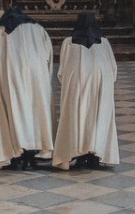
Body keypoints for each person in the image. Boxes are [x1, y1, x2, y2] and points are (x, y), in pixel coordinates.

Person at [0, 8, 55, 171]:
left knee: (12, 112)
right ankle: (31, 155)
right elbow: (48, 55)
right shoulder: (38, 29)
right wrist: (44, 79)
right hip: (36, 77)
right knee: (35, 114)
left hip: (8, 75)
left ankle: (15, 155)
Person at [51, 13, 119, 171]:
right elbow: (113, 70)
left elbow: (61, 72)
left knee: (77, 116)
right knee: (98, 116)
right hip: (101, 83)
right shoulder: (105, 42)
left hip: (76, 84)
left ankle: (79, 153)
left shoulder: (68, 42)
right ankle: (95, 155)